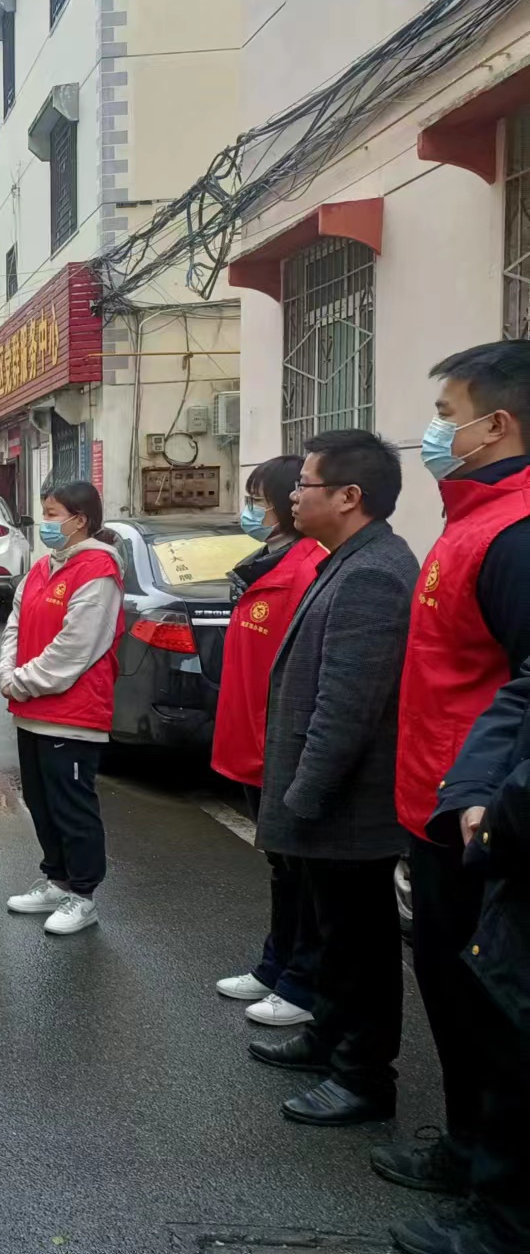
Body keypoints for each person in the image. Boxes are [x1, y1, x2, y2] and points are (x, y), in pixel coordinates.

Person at [372, 342, 530, 1247]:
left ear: (495, 425)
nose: (434, 431)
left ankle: (499, 1206)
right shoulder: (470, 518)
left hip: (482, 825)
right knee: (450, 993)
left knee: (494, 1011)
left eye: (446, 413)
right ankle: (467, 1148)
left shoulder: (515, 534)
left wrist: (491, 806)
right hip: (435, 807)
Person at [248, 429, 418, 1126]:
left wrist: (307, 796)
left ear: (349, 496)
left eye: (305, 484)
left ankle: (362, 1075)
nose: (293, 496)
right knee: (333, 936)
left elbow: (347, 706)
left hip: (347, 806)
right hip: (327, 802)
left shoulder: (374, 572)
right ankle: (328, 1036)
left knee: (360, 943)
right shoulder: (344, 559)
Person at [389, 665, 530, 1254]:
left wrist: (501, 816)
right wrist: (473, 793)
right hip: (483, 815)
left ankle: (507, 1220)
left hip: (510, 827)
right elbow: (520, 694)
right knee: (489, 1005)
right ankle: (476, 1158)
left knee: (507, 1013)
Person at [212, 455, 327, 1027]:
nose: (250, 510)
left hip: (283, 746)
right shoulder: (263, 566)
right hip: (254, 741)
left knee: (302, 873)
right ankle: (275, 967)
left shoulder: (309, 569)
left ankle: (303, 982)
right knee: (282, 869)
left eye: (258, 500)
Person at [0, 480, 124, 936]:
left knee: (71, 805)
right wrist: (7, 671)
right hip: (31, 709)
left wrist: (21, 681)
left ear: (79, 519)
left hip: (73, 713)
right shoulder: (43, 566)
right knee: (40, 801)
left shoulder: (99, 569)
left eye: (52, 514)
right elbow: (15, 623)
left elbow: (76, 646)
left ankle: (83, 895)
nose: (44, 522)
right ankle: (57, 880)